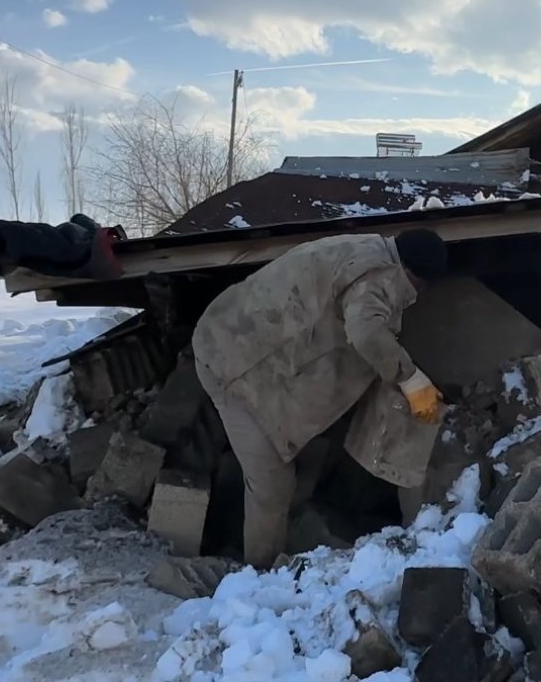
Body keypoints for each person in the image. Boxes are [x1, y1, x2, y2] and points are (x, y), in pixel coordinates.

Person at [191, 230, 448, 567]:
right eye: (422, 289)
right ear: (416, 277)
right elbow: (365, 330)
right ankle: (259, 577)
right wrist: (411, 378)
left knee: (296, 456)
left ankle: (277, 547)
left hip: (237, 344)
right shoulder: (381, 275)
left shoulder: (365, 248)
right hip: (231, 365)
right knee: (272, 483)